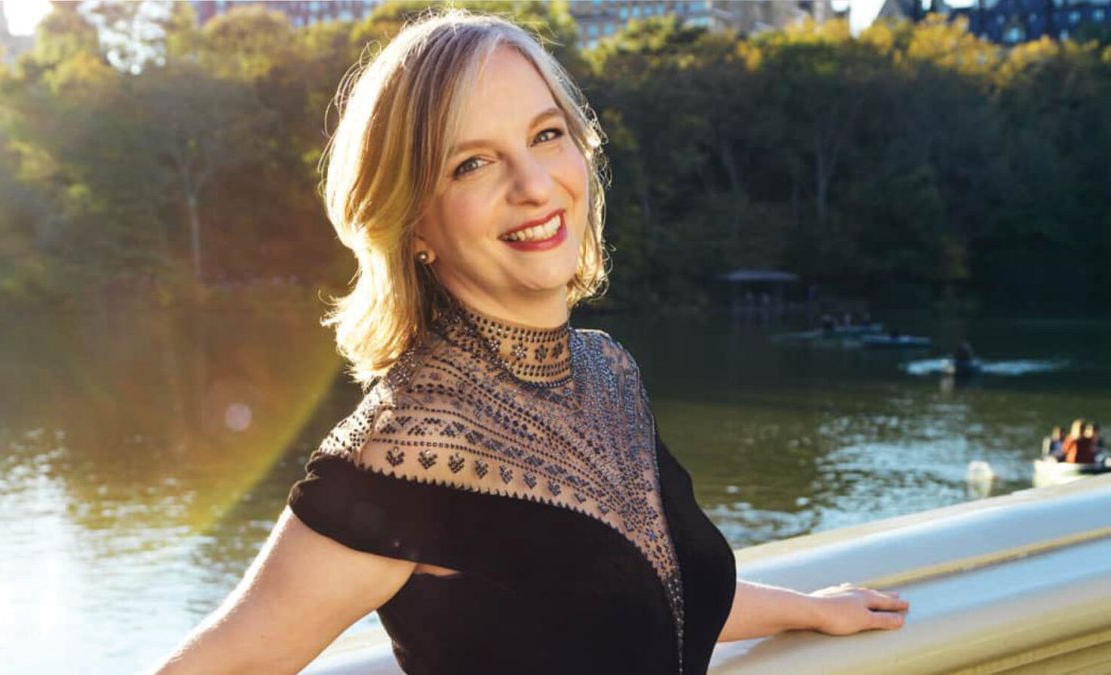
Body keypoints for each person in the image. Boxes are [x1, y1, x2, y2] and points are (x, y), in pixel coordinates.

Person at [151, 11, 908, 674]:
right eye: (472, 163)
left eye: (546, 135)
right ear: (412, 223)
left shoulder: (608, 372)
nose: (535, 185)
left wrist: (808, 609)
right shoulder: (406, 444)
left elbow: (647, 589)